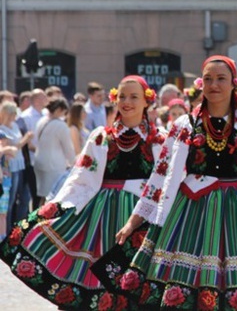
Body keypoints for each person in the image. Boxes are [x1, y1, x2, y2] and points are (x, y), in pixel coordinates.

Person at [107, 56, 237, 309]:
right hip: (190, 211)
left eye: (221, 79)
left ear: (235, 84)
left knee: (236, 283)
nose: (214, 85)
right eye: (208, 79)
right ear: (200, 84)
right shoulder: (184, 125)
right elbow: (162, 175)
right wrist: (134, 222)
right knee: (189, 286)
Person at [0, 76, 165, 310]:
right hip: (101, 213)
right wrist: (58, 205)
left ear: (147, 102)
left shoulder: (159, 140)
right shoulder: (102, 137)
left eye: (134, 97)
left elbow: (165, 182)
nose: (126, 101)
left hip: (141, 214)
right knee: (96, 267)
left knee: (136, 275)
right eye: (122, 97)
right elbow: (81, 177)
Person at [33, 98, 75, 205]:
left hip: (39, 161)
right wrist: (74, 162)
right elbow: (68, 148)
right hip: (54, 165)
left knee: (42, 195)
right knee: (52, 197)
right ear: (59, 110)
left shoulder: (41, 121)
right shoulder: (61, 125)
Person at [0, 102, 33, 235]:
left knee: (23, 198)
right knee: (9, 202)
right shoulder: (2, 129)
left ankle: (17, 230)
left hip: (20, 165)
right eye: (13, 113)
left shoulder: (14, 126)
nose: (15, 116)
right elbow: (14, 148)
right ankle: (7, 233)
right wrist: (26, 139)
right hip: (9, 169)